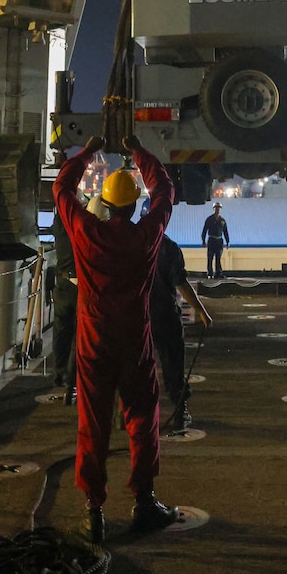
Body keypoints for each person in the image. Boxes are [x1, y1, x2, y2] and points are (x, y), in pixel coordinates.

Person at [53, 133, 179, 544]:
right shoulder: (146, 237)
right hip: (135, 337)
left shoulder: (87, 232)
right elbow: (164, 191)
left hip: (93, 339)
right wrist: (137, 151)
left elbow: (61, 188)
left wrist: (88, 152)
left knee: (93, 422)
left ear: (105, 203)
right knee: (143, 417)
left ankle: (94, 511)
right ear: (132, 204)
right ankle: (144, 501)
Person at [151, 233, 212, 430]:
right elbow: (181, 284)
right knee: (172, 364)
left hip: (135, 316)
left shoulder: (129, 242)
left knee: (133, 367)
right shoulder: (168, 247)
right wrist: (201, 311)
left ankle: (124, 412)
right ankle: (179, 410)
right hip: (163, 315)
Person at [50, 208, 78, 403]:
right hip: (80, 287)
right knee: (79, 338)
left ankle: (59, 373)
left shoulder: (60, 228)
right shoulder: (84, 230)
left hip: (62, 285)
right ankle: (71, 384)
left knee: (61, 332)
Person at [201, 201, 230, 277]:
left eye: (219, 208)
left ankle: (218, 273)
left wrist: (228, 242)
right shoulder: (209, 219)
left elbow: (225, 232)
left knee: (218, 258)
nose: (217, 210)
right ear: (214, 209)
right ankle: (210, 273)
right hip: (211, 241)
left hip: (219, 242)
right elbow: (204, 230)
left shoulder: (222, 221)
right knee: (210, 258)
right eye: (216, 208)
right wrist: (203, 241)